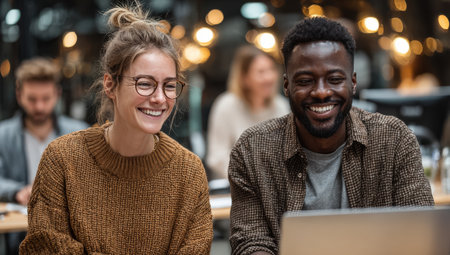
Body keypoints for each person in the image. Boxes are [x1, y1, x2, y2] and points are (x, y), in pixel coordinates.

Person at [228, 17, 434, 255]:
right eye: (305, 81)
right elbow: (251, 242)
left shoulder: (394, 140)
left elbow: (419, 234)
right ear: (286, 86)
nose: (322, 92)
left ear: (353, 82)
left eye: (335, 79)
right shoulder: (252, 150)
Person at [20, 4, 213, 255]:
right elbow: (43, 248)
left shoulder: (189, 171)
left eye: (169, 85)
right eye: (145, 84)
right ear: (110, 85)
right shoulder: (62, 160)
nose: (159, 98)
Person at [0, 57, 88, 254]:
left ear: (57, 94)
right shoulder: (3, 135)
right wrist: (17, 191)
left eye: (45, 99)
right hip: (21, 235)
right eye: (32, 99)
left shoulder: (79, 134)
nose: (39, 107)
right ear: (18, 94)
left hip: (69, 234)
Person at [206, 45, 289, 180]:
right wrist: (253, 178)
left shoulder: (281, 106)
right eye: (261, 72)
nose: (269, 77)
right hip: (233, 188)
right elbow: (217, 157)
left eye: (271, 70)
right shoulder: (225, 105)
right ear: (244, 78)